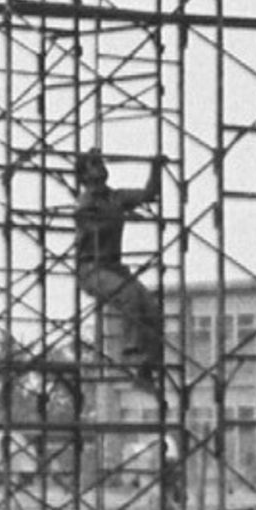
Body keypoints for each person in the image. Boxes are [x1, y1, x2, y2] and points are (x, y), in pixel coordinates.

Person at [68, 149, 168, 380]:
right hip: (92, 269)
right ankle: (131, 353)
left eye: (100, 163)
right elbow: (92, 227)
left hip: (113, 267)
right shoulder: (86, 203)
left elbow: (148, 194)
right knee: (129, 295)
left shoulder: (115, 197)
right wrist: (117, 216)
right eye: (94, 164)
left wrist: (156, 168)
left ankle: (149, 361)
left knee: (150, 305)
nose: (101, 167)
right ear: (85, 175)